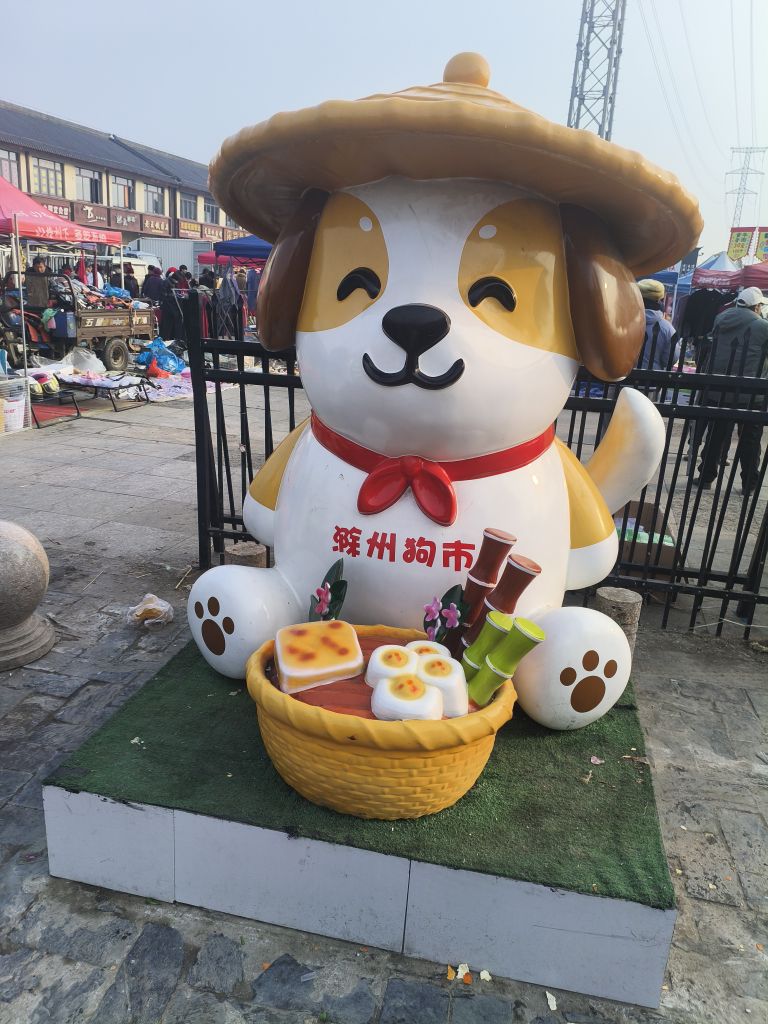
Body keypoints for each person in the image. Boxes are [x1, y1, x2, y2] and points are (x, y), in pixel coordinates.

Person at [696, 286, 768, 495]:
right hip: (750, 392)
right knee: (750, 439)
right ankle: (749, 483)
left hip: (719, 387)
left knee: (715, 435)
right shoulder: (763, 326)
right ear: (756, 306)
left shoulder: (721, 318)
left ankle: (706, 477)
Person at [636, 279, 679, 371]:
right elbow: (670, 359)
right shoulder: (667, 328)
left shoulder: (621, 322)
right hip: (653, 376)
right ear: (660, 300)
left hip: (623, 375)